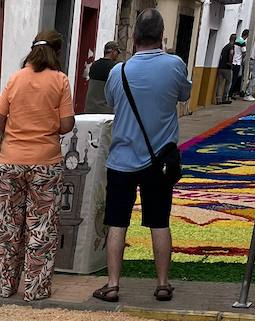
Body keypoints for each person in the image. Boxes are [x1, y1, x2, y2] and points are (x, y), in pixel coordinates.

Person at [92, 8, 192, 304]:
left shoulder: (118, 71)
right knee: (160, 222)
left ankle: (112, 284)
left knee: (117, 222)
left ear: (134, 37)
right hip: (159, 161)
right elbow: (184, 95)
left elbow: (111, 102)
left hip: (121, 159)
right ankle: (162, 283)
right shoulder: (175, 65)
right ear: (162, 37)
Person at [0, 30, 75, 302]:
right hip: (45, 163)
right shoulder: (60, 80)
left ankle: (6, 285)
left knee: (7, 225)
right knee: (42, 226)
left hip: (10, 161)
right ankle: (34, 288)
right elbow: (66, 124)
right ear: (57, 52)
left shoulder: (15, 78)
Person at [86, 41, 121, 115]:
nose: (117, 56)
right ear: (113, 52)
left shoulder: (94, 65)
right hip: (105, 112)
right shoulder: (115, 68)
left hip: (90, 109)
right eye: (117, 53)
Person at [217, 34, 236, 104]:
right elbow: (231, 53)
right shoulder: (231, 46)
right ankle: (225, 98)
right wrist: (230, 62)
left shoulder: (225, 47)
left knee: (220, 84)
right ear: (235, 40)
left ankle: (218, 99)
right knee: (228, 83)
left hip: (221, 67)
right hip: (227, 68)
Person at [232, 30, 247, 99]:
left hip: (233, 61)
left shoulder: (237, 40)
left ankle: (231, 93)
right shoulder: (242, 42)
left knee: (233, 78)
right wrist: (243, 59)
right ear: (246, 35)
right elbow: (244, 52)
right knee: (235, 78)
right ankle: (232, 93)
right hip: (237, 62)